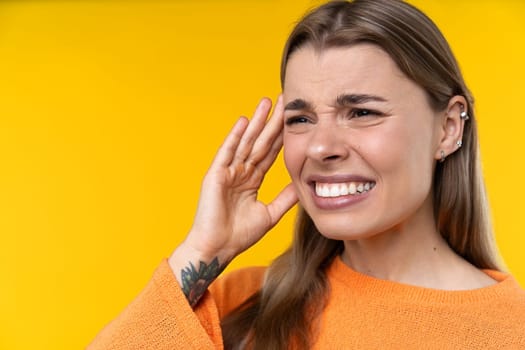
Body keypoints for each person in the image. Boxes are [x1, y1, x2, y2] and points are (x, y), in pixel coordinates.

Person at [89, 0, 525, 348]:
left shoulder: (512, 329)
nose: (320, 147)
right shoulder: (237, 306)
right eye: (300, 119)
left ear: (448, 128)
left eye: (361, 112)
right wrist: (203, 250)